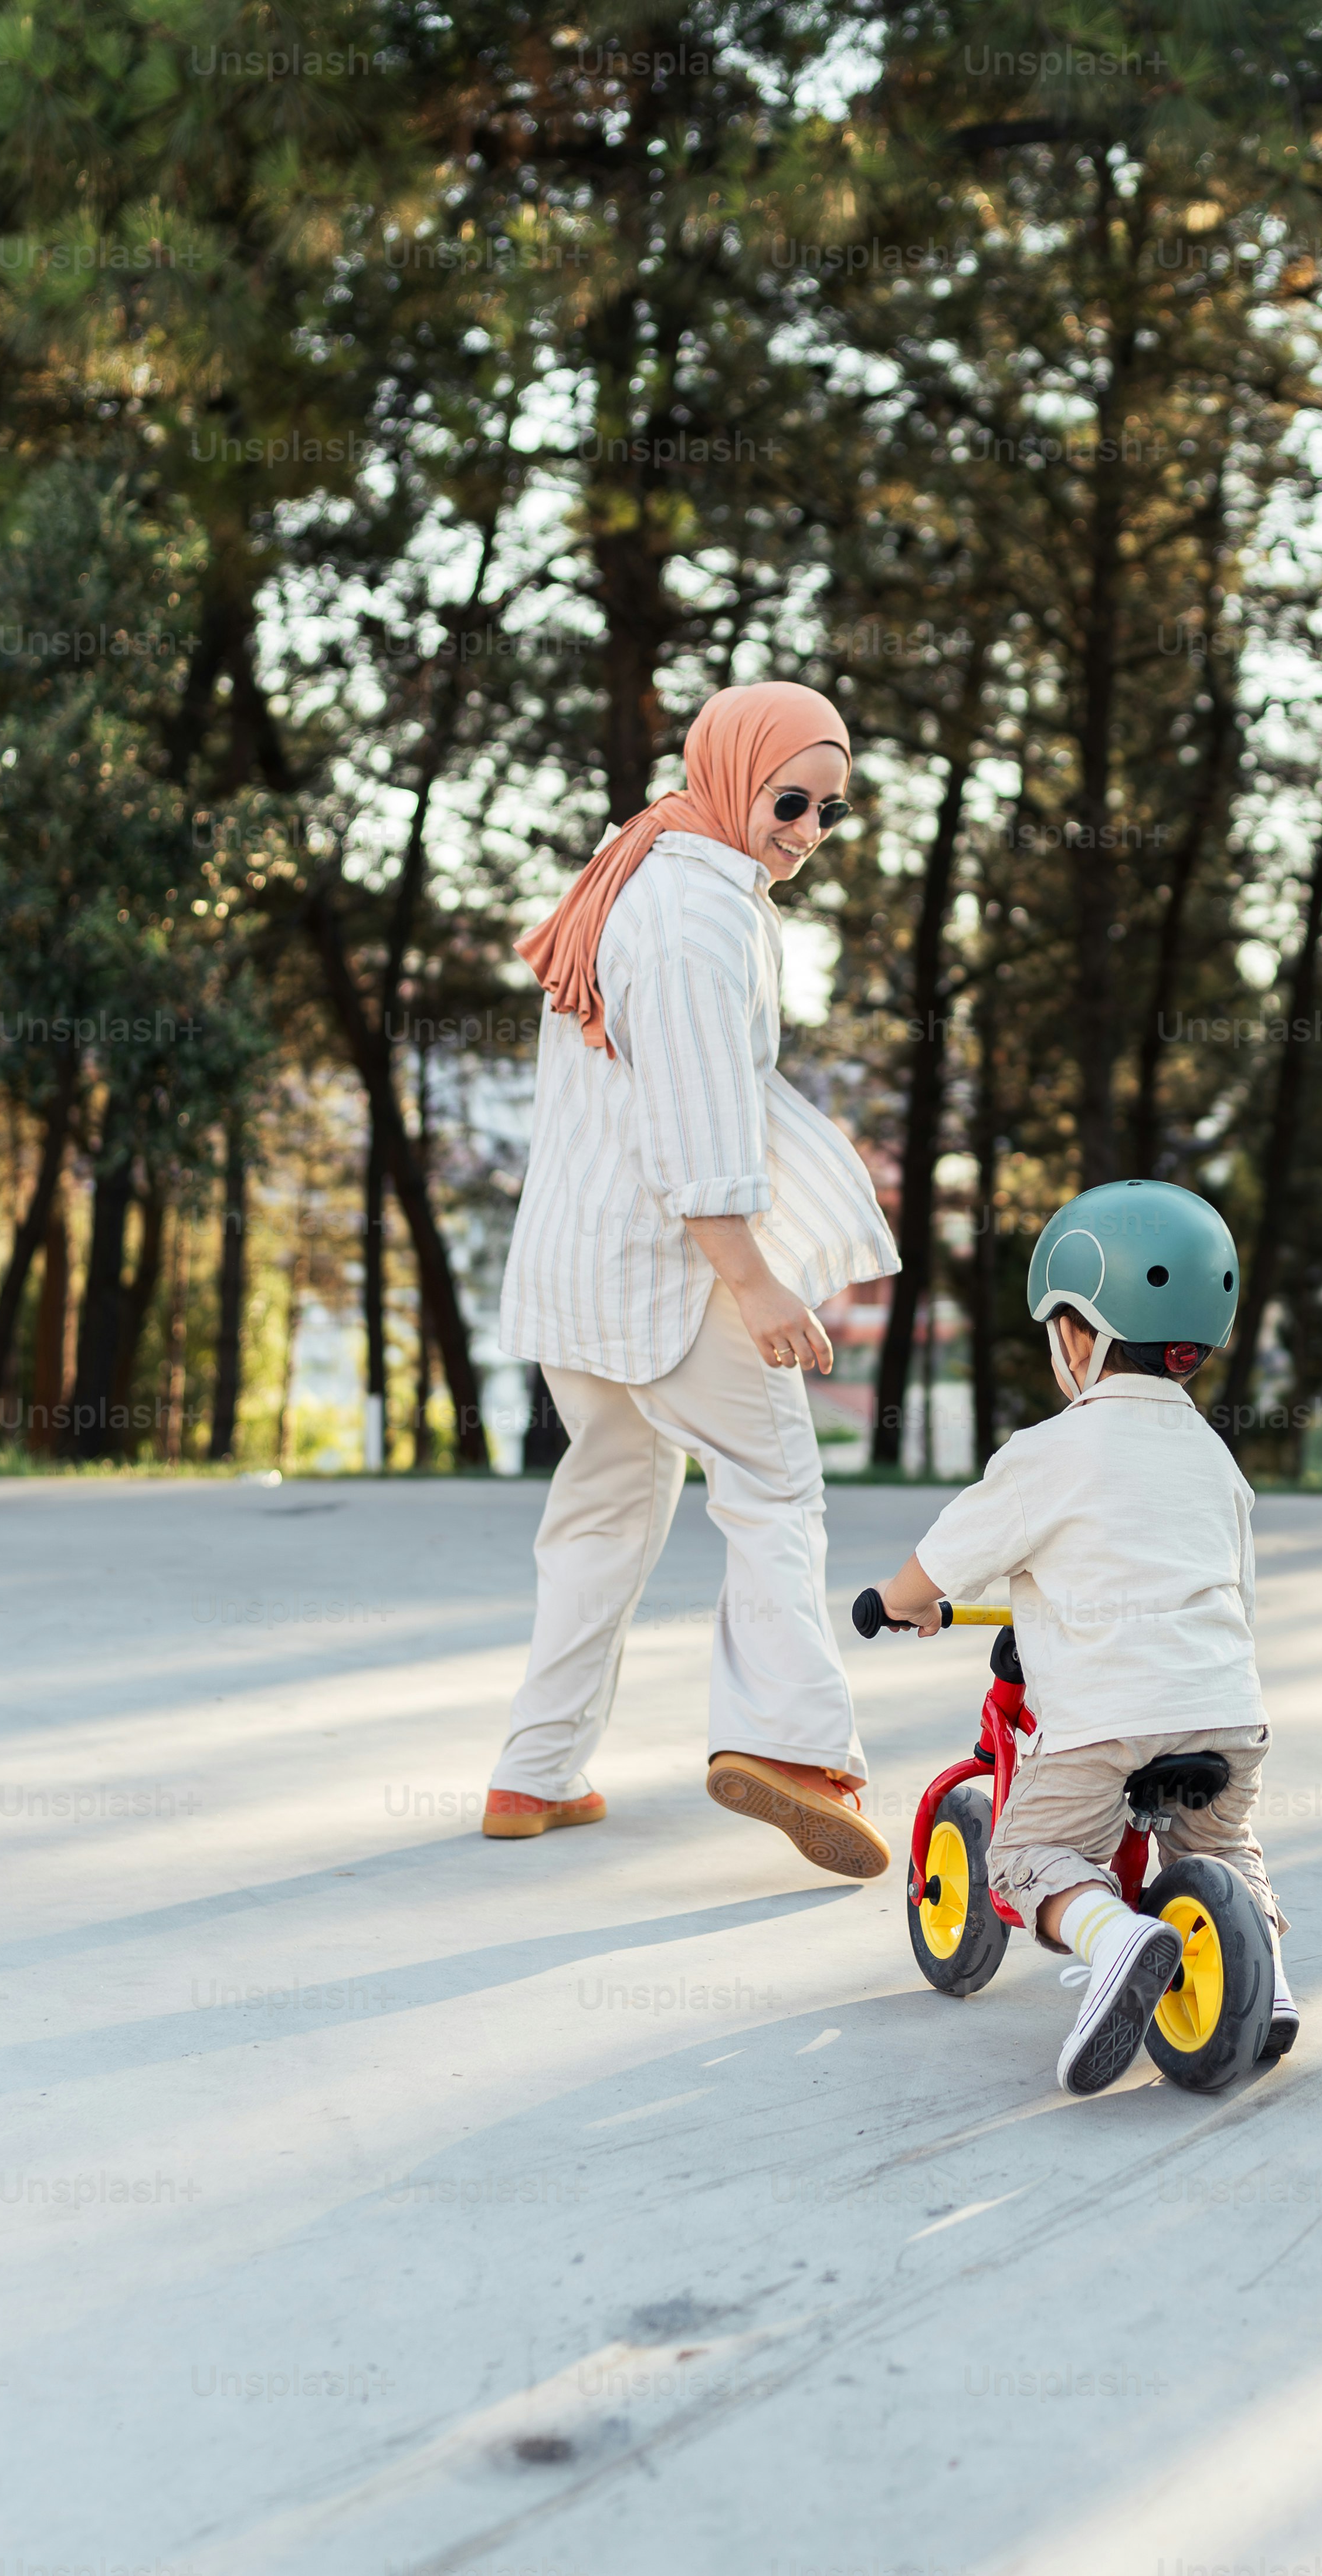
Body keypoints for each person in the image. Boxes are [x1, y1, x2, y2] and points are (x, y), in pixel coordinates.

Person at [480, 681, 898, 1878]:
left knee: (607, 1509)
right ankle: (792, 1748)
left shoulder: (642, 858)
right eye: (789, 800)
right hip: (668, 1272)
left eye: (830, 810)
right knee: (774, 1490)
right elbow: (697, 1125)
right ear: (731, 775)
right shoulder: (695, 914)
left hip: (579, 1268)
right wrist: (758, 1285)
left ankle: (534, 1773)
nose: (808, 830)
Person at [864, 1179, 1297, 2093]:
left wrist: (900, 1602)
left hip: (1112, 1721)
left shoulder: (1049, 1451)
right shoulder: (1214, 1460)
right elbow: (1237, 1592)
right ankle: (1266, 1981)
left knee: (1024, 1858)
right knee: (1219, 1848)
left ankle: (1115, 1937)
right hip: (1227, 1713)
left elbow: (940, 1564)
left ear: (1077, 1331)